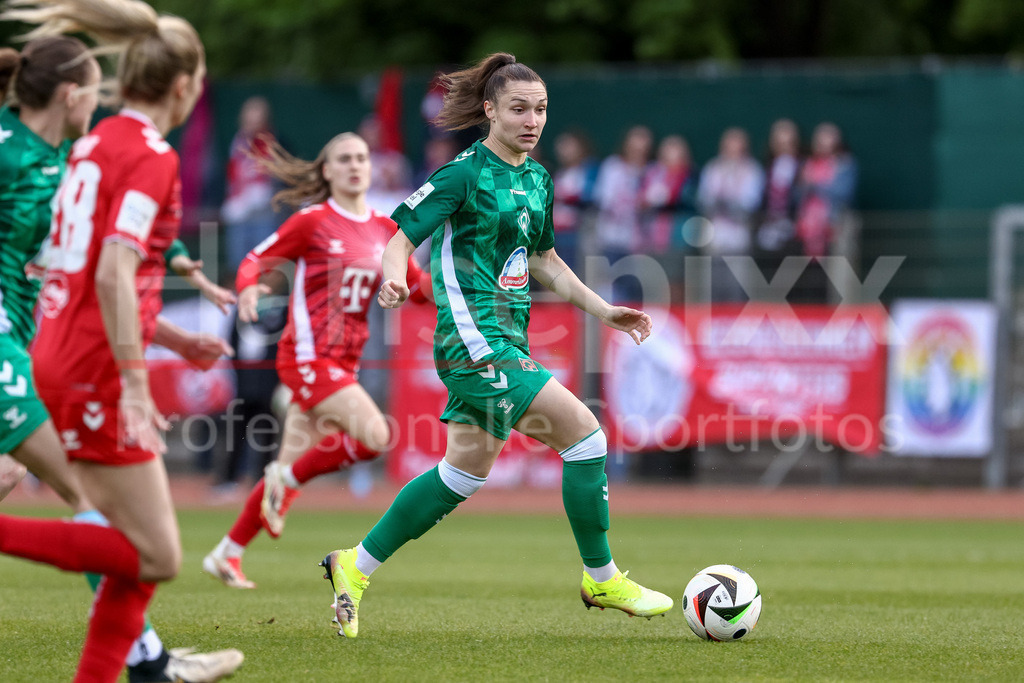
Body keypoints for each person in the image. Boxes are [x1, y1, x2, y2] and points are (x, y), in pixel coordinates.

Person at [318, 52, 672, 640]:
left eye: (540, 110)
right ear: (489, 110)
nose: (532, 120)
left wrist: (604, 310)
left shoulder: (537, 178)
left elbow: (546, 262)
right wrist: (395, 273)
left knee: (463, 475)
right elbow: (399, 235)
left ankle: (354, 564)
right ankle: (602, 576)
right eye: (518, 109)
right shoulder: (463, 173)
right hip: (474, 342)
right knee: (585, 437)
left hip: (507, 337)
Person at [0, 2, 240, 681]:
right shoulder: (137, 154)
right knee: (141, 545)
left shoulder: (86, 149)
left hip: (46, 348)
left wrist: (170, 333)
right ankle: (147, 660)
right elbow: (110, 270)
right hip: (78, 364)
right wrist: (139, 379)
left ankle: (144, 661)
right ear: (184, 86)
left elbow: (90, 273)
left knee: (102, 519)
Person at [202, 132, 432, 589]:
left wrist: (462, 298)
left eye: (362, 157)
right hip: (308, 358)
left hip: (344, 364)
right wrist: (248, 287)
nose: (354, 165)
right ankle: (285, 476)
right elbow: (255, 260)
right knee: (374, 437)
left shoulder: (387, 231)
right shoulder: (312, 221)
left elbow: (420, 287)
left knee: (280, 489)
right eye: (344, 158)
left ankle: (227, 552)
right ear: (326, 170)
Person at [696, 126, 765, 302]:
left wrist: (728, 202)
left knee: (737, 288)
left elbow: (751, 203)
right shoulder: (714, 168)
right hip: (716, 237)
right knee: (712, 288)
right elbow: (704, 199)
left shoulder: (752, 170)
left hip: (738, 238)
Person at [222, 95, 278, 271]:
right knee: (238, 262)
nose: (251, 121)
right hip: (240, 212)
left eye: (256, 116)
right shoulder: (237, 141)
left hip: (263, 213)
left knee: (263, 262)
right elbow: (233, 174)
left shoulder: (272, 141)